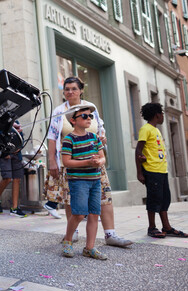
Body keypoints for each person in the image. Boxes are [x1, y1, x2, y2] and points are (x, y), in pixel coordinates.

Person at [45, 76, 132, 247]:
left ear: (81, 90)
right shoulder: (59, 111)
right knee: (71, 198)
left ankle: (110, 234)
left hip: (94, 163)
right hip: (71, 164)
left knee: (104, 197)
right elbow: (52, 138)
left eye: (74, 89)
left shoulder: (91, 107)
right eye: (67, 89)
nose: (70, 92)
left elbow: (100, 129)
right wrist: (52, 162)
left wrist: (103, 137)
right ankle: (74, 232)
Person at [135, 103, 188, 239]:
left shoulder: (156, 130)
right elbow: (138, 150)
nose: (163, 116)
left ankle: (167, 227)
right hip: (151, 171)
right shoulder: (146, 129)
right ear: (157, 115)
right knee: (154, 199)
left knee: (164, 199)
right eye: (162, 114)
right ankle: (152, 227)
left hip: (161, 171)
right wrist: (140, 172)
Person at [61, 104, 107, 260]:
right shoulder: (69, 139)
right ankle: (68, 240)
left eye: (90, 116)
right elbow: (66, 162)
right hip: (79, 181)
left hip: (95, 180)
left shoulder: (94, 137)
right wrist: (87, 162)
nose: (89, 119)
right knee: (79, 213)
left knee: (94, 214)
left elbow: (103, 157)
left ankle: (90, 247)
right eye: (85, 116)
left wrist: (99, 162)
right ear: (73, 120)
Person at [0, 122, 26, 218]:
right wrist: (5, 151)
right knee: (7, 178)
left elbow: (22, 138)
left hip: (16, 154)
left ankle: (14, 208)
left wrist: (19, 147)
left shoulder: (16, 123)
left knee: (17, 179)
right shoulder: (0, 122)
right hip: (5, 154)